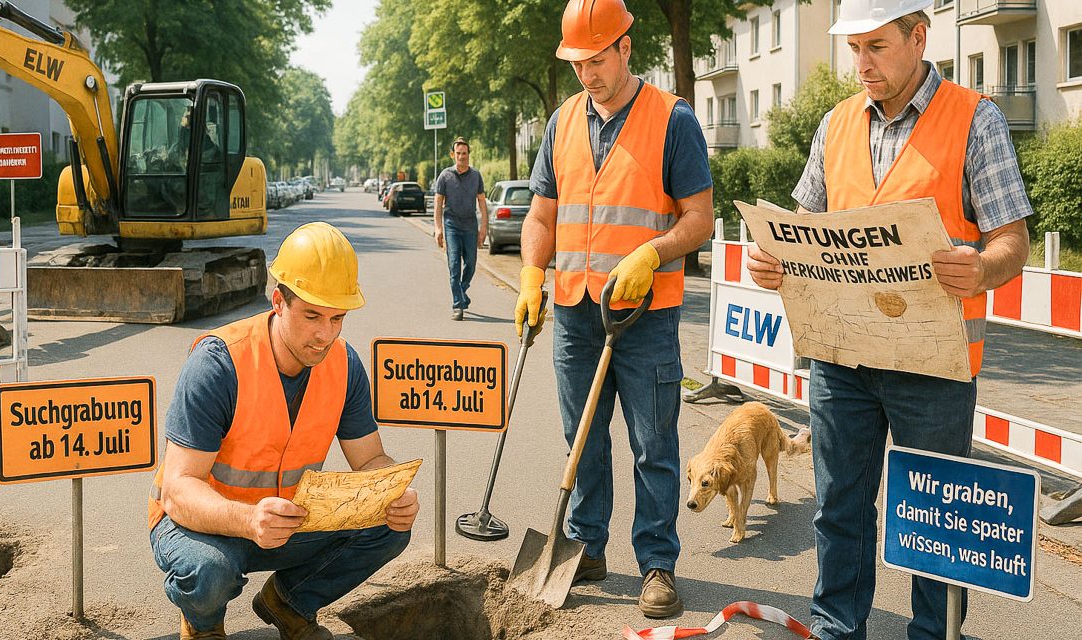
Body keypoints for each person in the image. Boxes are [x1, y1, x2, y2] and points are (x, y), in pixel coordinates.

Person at [746, 2, 1031, 638]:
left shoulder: (974, 120)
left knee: (936, 524)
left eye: (876, 47)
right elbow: (804, 232)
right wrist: (775, 262)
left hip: (934, 367)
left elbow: (1013, 239)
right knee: (839, 508)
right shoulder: (837, 124)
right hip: (842, 363)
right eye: (854, 49)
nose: (862, 64)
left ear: (918, 36)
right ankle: (836, 627)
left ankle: (934, 634)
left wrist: (983, 268)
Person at [516, 0, 714, 618]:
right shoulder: (561, 122)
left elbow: (699, 219)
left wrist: (654, 253)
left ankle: (657, 562)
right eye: (577, 62)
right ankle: (586, 548)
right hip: (576, 310)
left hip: (645, 314)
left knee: (653, 441)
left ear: (627, 48)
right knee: (583, 437)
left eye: (597, 59)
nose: (587, 74)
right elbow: (543, 214)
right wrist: (530, 274)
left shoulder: (672, 120)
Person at [148, 222, 420, 640]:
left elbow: (369, 459)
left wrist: (392, 489)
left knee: (388, 524)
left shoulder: (344, 365)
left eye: (336, 319)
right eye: (312, 315)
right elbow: (178, 489)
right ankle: (203, 624)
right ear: (279, 301)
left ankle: (289, 603)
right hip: (200, 523)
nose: (324, 334)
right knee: (210, 571)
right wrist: (247, 519)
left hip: (285, 522)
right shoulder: (219, 364)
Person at [433, 138, 488, 321]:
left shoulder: (476, 176)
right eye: (458, 154)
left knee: (471, 265)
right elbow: (438, 202)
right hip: (451, 225)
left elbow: (481, 201)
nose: (462, 157)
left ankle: (462, 292)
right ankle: (458, 305)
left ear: (468, 154)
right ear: (453, 155)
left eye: (464, 153)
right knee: (454, 265)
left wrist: (483, 228)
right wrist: (438, 228)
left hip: (470, 225)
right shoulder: (445, 176)